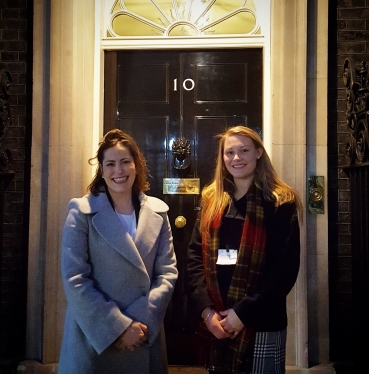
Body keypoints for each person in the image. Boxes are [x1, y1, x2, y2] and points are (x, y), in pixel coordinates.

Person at [58, 129, 178, 374]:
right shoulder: (81, 212)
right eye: (110, 164)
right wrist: (119, 328)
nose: (119, 171)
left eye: (125, 162)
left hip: (144, 334)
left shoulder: (159, 212)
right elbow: (75, 279)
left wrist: (139, 322)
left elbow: (167, 274)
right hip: (96, 338)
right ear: (102, 170)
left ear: (136, 165)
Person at [187, 126, 302, 374]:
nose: (236, 158)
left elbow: (284, 271)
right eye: (230, 152)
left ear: (259, 152)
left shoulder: (281, 202)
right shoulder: (211, 200)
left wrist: (242, 314)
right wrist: (207, 313)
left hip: (262, 321)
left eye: (244, 151)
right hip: (217, 320)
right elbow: (194, 258)